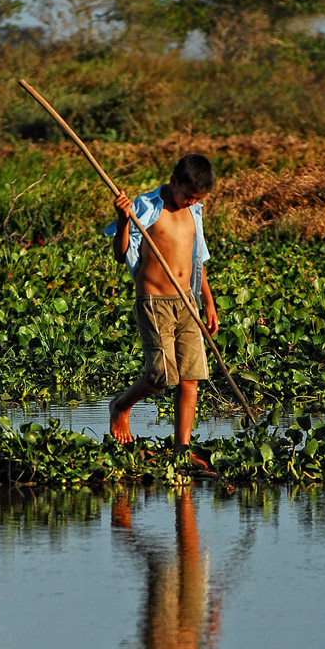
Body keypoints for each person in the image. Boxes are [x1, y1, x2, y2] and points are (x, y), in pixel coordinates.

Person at [104, 153, 219, 460]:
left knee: (191, 378)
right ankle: (121, 406)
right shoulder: (147, 205)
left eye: (197, 199)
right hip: (154, 301)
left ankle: (182, 448)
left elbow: (199, 259)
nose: (192, 203)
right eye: (188, 196)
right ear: (174, 182)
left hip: (187, 302)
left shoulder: (194, 212)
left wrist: (208, 302)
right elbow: (121, 252)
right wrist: (123, 219)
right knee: (161, 376)